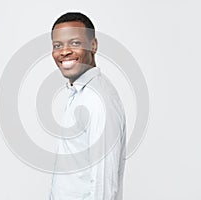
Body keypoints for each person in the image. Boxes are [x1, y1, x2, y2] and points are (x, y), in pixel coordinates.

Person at [49, 12, 126, 200]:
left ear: (93, 45)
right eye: (57, 45)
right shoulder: (79, 93)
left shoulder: (98, 100)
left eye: (75, 43)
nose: (64, 51)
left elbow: (104, 183)